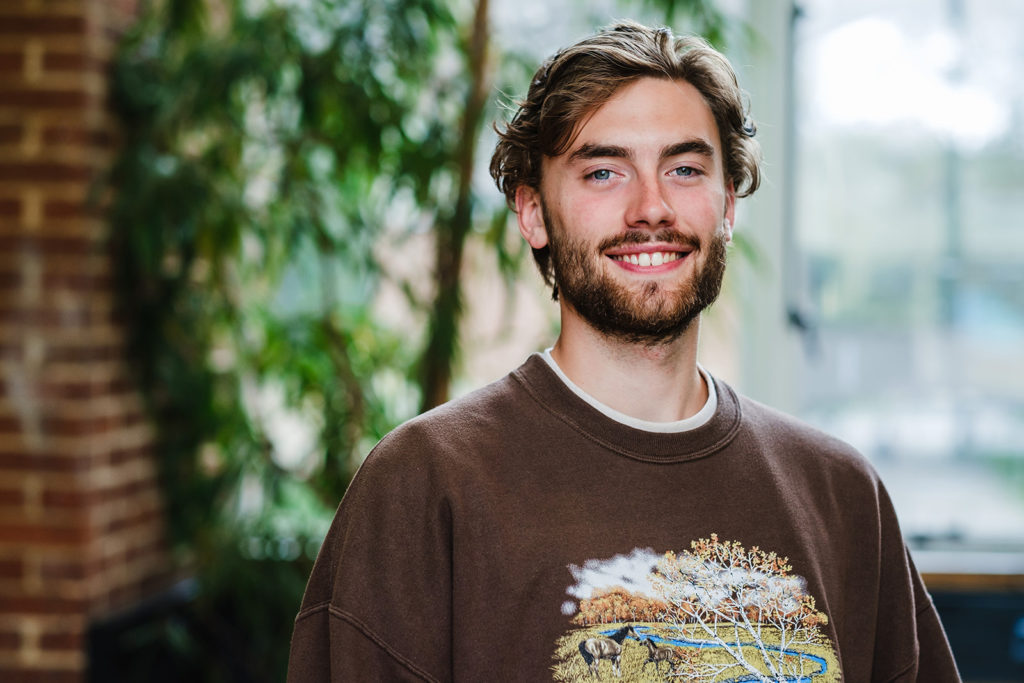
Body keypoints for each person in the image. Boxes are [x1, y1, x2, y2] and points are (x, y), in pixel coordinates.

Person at [287, 21, 961, 682]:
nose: (651, 207)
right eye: (605, 172)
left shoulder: (843, 496)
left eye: (686, 168)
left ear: (728, 204)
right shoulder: (423, 486)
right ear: (533, 213)